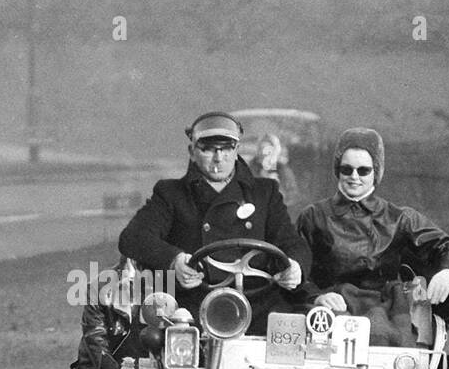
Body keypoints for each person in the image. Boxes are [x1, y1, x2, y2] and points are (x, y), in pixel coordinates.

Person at [118, 111, 311, 335]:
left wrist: (295, 266)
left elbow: (291, 242)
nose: (218, 158)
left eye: (226, 148)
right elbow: (133, 237)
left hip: (258, 306)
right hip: (193, 309)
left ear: (237, 150)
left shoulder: (264, 192)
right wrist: (174, 260)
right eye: (208, 149)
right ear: (192, 152)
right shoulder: (171, 194)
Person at [296, 127, 449, 346]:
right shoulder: (314, 216)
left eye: (364, 170)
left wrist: (448, 272)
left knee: (384, 336)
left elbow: (448, 247)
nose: (354, 177)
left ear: (376, 171)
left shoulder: (399, 218)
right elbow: (295, 269)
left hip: (383, 308)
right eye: (346, 169)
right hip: (329, 306)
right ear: (337, 170)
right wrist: (317, 297)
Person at [249, 134, 302, 214]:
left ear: (275, 151)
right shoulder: (251, 169)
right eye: (262, 149)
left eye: (269, 150)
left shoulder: (283, 170)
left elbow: (293, 197)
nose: (265, 154)